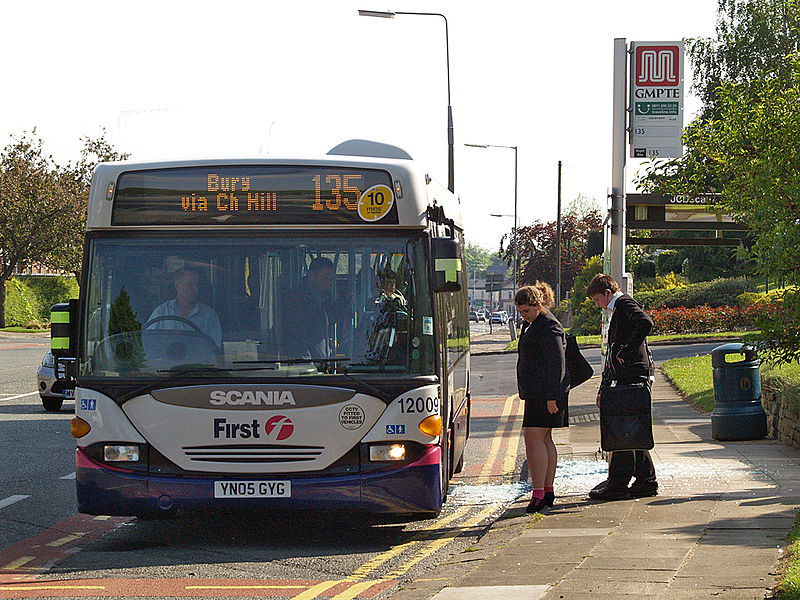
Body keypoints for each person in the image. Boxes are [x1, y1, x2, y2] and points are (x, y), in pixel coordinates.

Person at [586, 273, 658, 501]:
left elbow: (646, 322)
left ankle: (618, 484)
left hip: (633, 375)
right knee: (631, 428)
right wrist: (604, 385)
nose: (598, 305)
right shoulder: (618, 308)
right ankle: (646, 480)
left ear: (607, 292)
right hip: (629, 376)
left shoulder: (624, 303)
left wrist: (627, 352)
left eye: (597, 299)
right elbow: (612, 351)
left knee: (622, 429)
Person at [515, 282, 569, 513]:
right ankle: (546, 491)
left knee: (533, 439)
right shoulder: (537, 323)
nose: (524, 316)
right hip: (540, 393)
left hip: (545, 394)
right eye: (520, 312)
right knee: (544, 439)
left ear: (538, 304)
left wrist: (552, 396)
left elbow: (558, 363)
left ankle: (538, 494)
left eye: (526, 311)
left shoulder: (548, 326)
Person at [285, 257, 345, 361]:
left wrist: (344, 304)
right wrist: (306, 365)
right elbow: (297, 337)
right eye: (324, 279)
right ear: (311, 275)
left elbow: (321, 324)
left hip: (319, 364)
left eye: (330, 279)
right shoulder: (298, 299)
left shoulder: (318, 298)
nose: (328, 283)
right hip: (309, 368)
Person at [146, 267, 222, 347]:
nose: (196, 290)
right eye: (190, 285)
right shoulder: (161, 312)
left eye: (197, 285)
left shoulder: (209, 315)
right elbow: (147, 343)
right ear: (177, 286)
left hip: (199, 359)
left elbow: (215, 348)